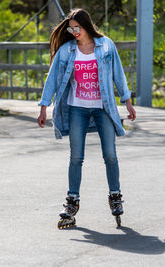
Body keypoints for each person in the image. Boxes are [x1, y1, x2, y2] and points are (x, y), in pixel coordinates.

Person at [37, 9, 136, 227]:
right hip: (77, 109)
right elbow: (52, 77)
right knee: (76, 157)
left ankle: (115, 196)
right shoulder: (67, 50)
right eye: (70, 28)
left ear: (86, 26)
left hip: (103, 109)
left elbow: (118, 74)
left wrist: (127, 100)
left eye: (76, 28)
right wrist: (44, 106)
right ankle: (71, 202)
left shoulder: (106, 45)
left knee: (110, 154)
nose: (73, 32)